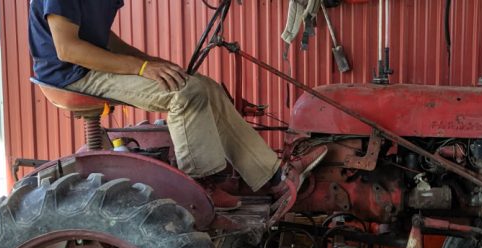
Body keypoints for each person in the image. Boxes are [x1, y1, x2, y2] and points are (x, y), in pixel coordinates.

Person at [28, 0, 326, 211]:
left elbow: (103, 38)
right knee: (185, 94)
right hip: (70, 75)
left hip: (88, 66)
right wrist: (142, 68)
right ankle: (200, 186)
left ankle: (270, 176)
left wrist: (151, 62)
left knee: (204, 86)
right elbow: (68, 48)